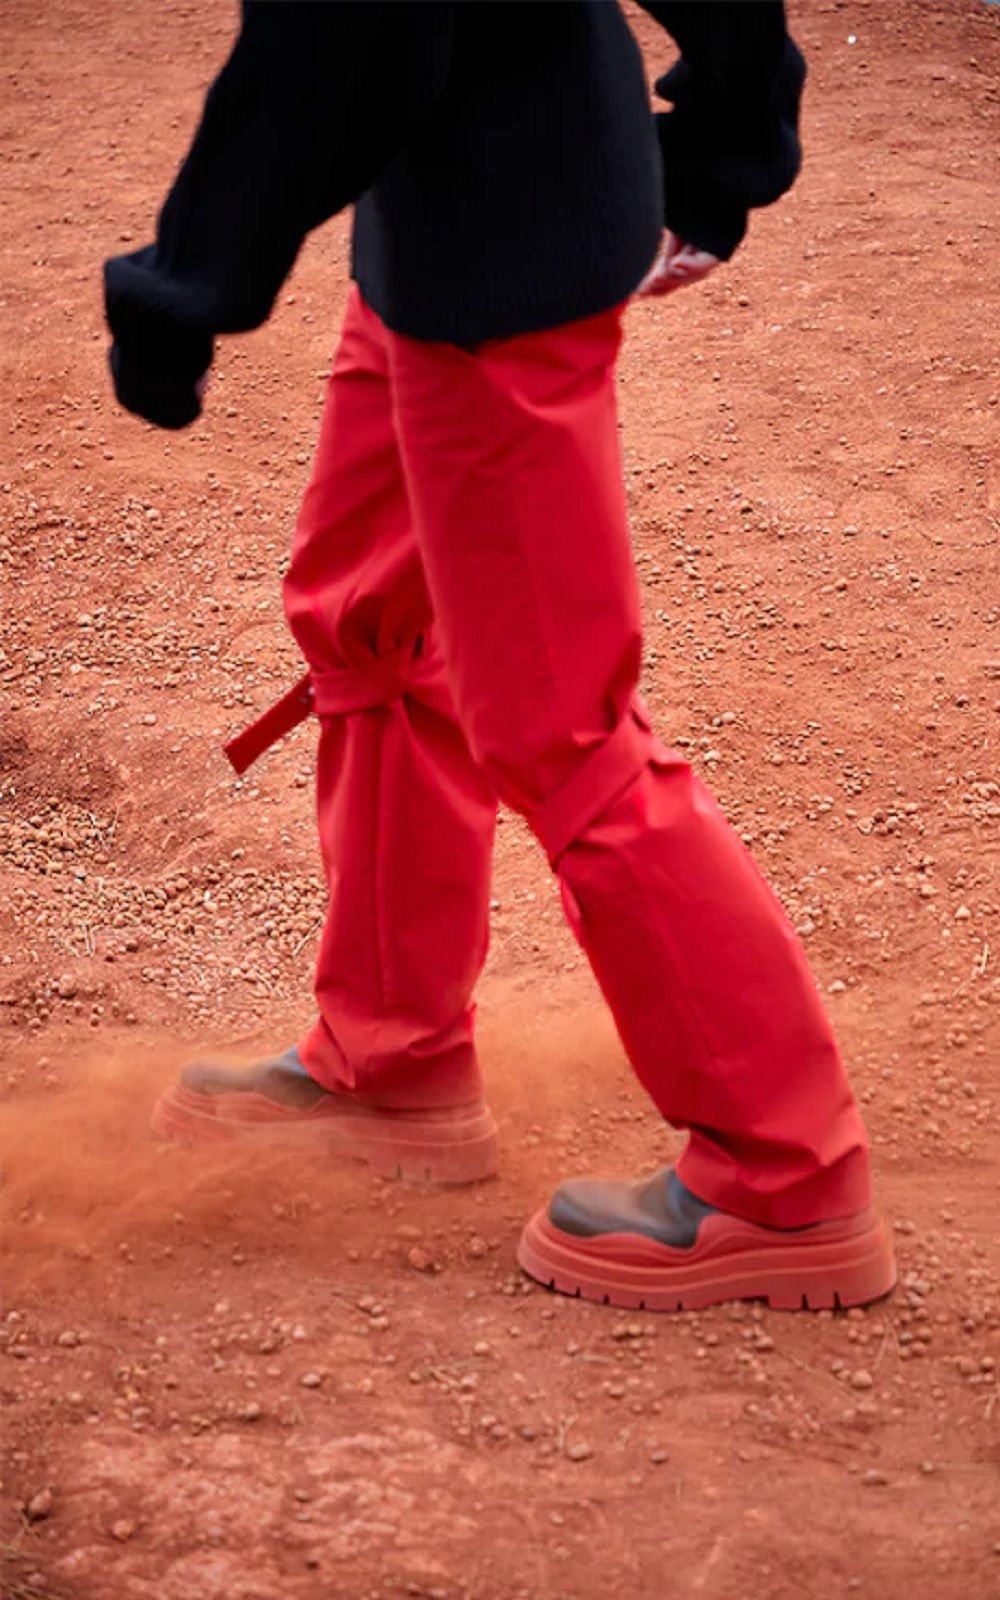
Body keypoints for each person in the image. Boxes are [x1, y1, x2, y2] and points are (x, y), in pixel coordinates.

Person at [104, 1, 895, 1313]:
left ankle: (786, 1175)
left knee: (563, 726)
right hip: (443, 214)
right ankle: (393, 1057)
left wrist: (185, 287)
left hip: (499, 260)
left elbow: (344, 42)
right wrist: (736, 121)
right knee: (367, 621)